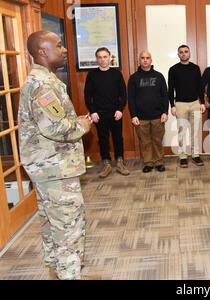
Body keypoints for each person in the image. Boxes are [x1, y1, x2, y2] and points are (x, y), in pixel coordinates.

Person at [18, 31, 92, 280]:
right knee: (69, 227)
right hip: (55, 169)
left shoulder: (43, 79)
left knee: (52, 224)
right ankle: (69, 275)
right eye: (58, 45)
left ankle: (57, 272)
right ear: (42, 52)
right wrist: (83, 125)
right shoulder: (43, 85)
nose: (63, 49)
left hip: (47, 168)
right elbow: (56, 127)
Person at [84, 47, 129, 178]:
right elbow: (87, 96)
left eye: (105, 57)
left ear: (110, 58)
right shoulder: (92, 75)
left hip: (115, 113)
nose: (103, 60)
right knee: (103, 139)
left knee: (118, 138)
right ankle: (106, 163)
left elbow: (123, 94)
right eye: (100, 57)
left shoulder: (116, 74)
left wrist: (120, 109)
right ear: (96, 59)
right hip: (99, 114)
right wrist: (92, 112)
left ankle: (120, 162)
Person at [128, 51, 169, 173]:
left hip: (158, 116)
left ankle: (159, 162)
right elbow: (131, 98)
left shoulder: (159, 76)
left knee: (157, 140)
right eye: (142, 58)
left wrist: (164, 112)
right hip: (141, 117)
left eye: (147, 58)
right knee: (145, 142)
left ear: (151, 60)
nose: (145, 60)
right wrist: (133, 115)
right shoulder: (133, 78)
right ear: (139, 60)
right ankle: (149, 163)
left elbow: (165, 96)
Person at [168, 45, 205, 168]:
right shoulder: (173, 69)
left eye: (186, 52)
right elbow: (170, 89)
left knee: (195, 132)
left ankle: (195, 155)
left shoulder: (195, 68)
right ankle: (183, 156)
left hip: (195, 103)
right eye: (181, 52)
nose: (184, 54)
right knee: (182, 132)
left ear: (189, 53)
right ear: (178, 55)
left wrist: (202, 102)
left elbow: (200, 87)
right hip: (180, 104)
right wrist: (172, 105)